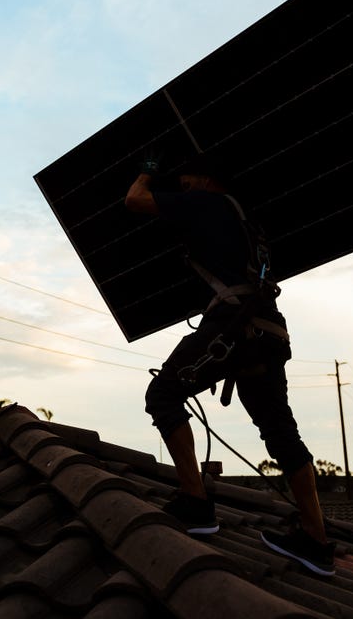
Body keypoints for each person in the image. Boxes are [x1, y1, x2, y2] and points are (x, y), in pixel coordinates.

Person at [125, 155, 336, 576]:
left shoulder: (208, 203)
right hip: (268, 331)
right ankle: (316, 542)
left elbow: (136, 200)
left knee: (163, 394)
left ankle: (196, 504)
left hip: (235, 325)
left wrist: (149, 167)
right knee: (280, 433)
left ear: (205, 181)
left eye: (184, 185)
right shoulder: (248, 223)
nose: (180, 192)